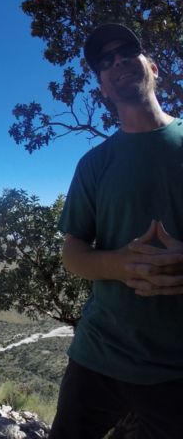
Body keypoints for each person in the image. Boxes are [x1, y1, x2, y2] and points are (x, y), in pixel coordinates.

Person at [50, 23, 183, 439]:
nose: (117, 61)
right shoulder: (94, 164)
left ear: (154, 67)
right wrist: (120, 264)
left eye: (126, 50)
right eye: (104, 62)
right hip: (98, 356)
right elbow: (73, 253)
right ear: (103, 89)